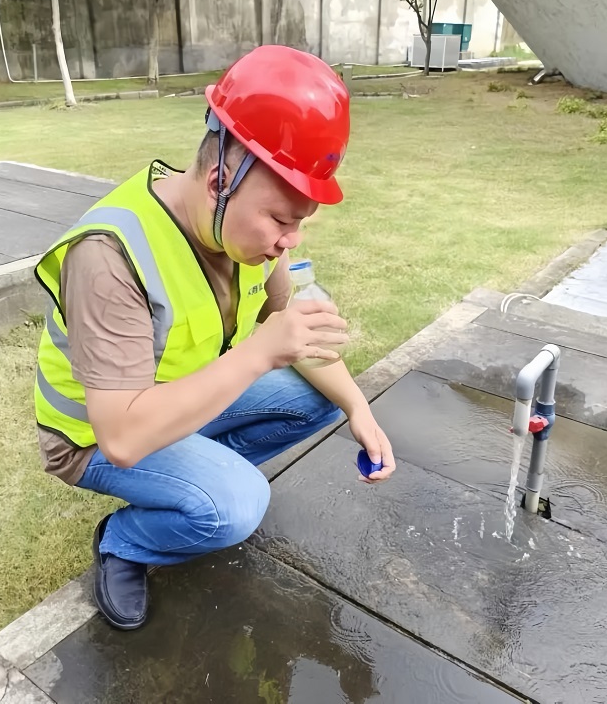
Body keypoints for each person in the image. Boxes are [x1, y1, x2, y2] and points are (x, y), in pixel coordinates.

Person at [32, 45, 396, 631]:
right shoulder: (110, 257)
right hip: (93, 435)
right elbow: (122, 438)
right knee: (237, 505)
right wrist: (257, 353)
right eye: (281, 220)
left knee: (319, 395)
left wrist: (358, 407)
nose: (290, 242)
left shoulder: (241, 233)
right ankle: (125, 541)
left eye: (302, 223)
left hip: (179, 401)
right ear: (221, 175)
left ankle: (193, 481)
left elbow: (296, 323)